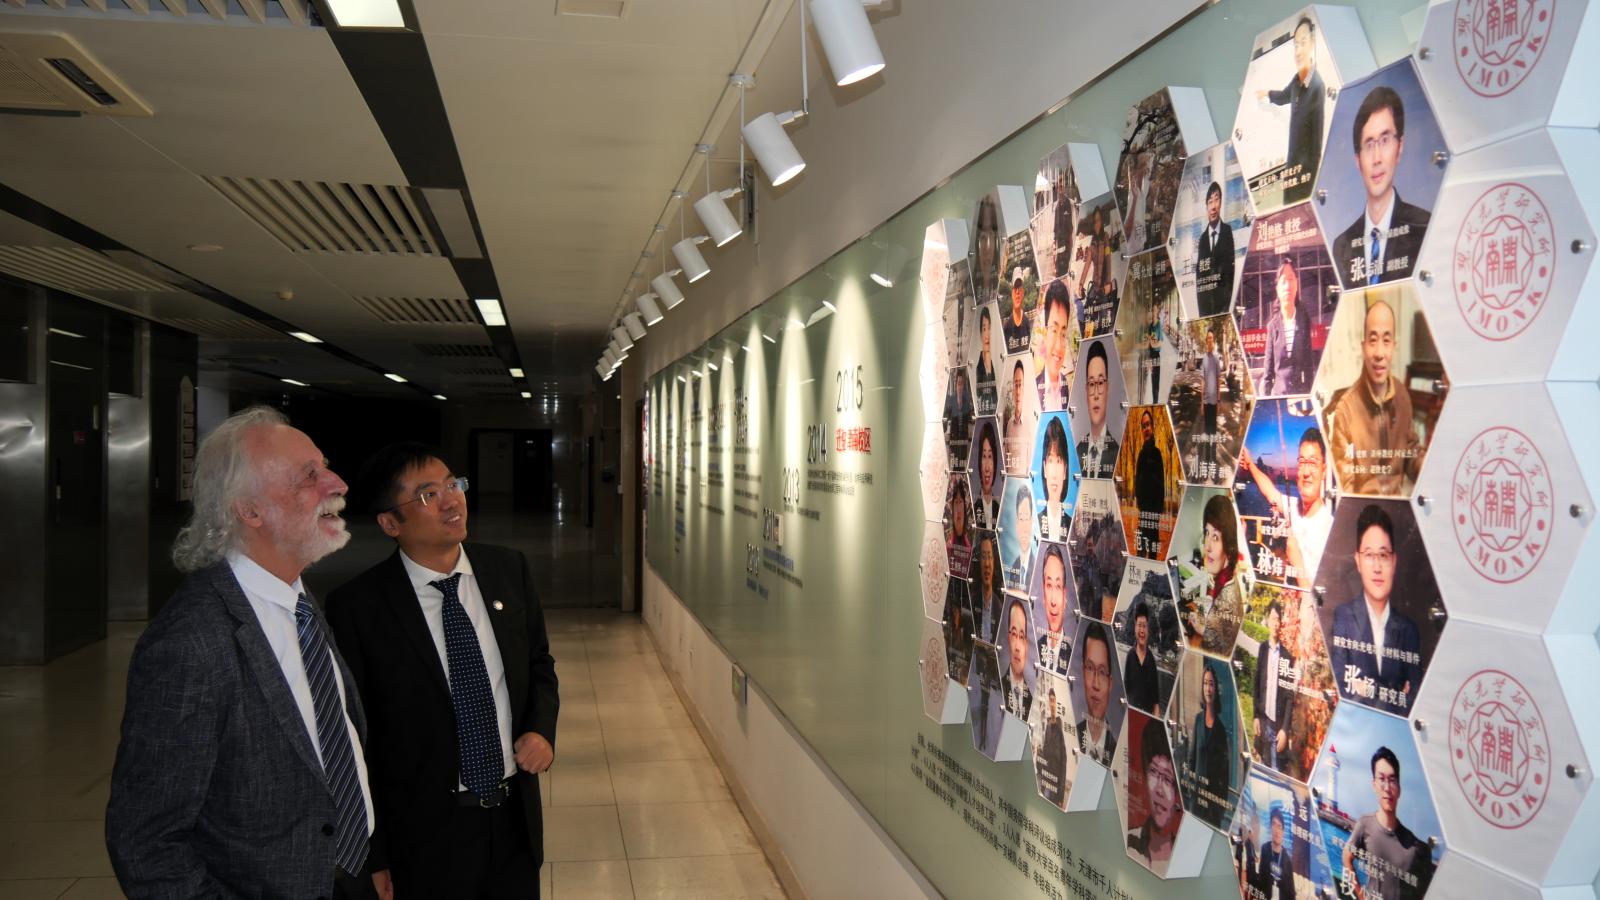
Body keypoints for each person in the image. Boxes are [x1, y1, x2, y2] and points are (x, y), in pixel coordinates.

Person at [107, 407, 373, 898]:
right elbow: (146, 842)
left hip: (344, 876)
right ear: (249, 511)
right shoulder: (190, 643)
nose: (337, 483)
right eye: (307, 476)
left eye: (326, 466)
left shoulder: (296, 598)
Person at [326, 444, 559, 899]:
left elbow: (539, 664)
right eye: (428, 495)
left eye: (454, 484)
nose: (453, 500)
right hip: (425, 837)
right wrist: (375, 855)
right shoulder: (358, 607)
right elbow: (354, 736)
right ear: (391, 523)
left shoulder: (508, 569)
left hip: (513, 820)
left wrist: (540, 729)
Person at [1332, 86, 1431, 287]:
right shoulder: (1342, 246)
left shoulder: (1424, 228)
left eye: (1385, 140)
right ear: (1357, 160)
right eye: (1369, 144)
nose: (1377, 158)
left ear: (1399, 147)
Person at [1329, 505, 1423, 715]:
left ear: (1394, 561)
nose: (1377, 567)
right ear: (1358, 561)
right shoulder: (1343, 617)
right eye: (1369, 555)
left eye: (1383, 555)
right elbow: (1340, 688)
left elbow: (1415, 700)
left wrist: (1367, 689)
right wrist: (1393, 692)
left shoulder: (1408, 631)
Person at [1327, 299, 1425, 496]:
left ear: (1393, 347)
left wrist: (1430, 468)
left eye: (1386, 341)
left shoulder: (1402, 395)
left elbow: (1410, 450)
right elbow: (1345, 490)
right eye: (1373, 340)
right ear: (1363, 347)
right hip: (1366, 519)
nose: (1379, 353)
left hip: (1397, 508)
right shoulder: (1345, 411)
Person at [1240, 428, 1334, 588]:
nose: (1306, 472)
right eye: (1302, 462)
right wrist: (1250, 464)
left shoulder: (1330, 528)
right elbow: (1270, 491)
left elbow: (1320, 602)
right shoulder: (1294, 507)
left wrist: (1295, 560)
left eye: (1312, 462)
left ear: (1324, 470)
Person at [1342, 747, 1435, 900]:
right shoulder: (1365, 825)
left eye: (1392, 780)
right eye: (1382, 779)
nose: (1387, 788)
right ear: (1374, 785)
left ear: (1399, 788)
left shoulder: (1415, 847)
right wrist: (1360, 896)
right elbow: (1346, 856)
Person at [1259, 15, 1325, 204]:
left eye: (1302, 43)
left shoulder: (1317, 86)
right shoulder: (1297, 81)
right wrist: (1267, 93)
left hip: (1305, 179)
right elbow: (1282, 96)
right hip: (1291, 174)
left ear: (1312, 43)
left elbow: (1317, 145)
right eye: (1295, 45)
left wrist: (1311, 184)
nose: (1298, 50)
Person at [1187, 494, 1244, 655]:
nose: (1208, 547)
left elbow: (1220, 645)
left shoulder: (1228, 596)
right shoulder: (1223, 580)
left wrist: (1201, 628)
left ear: (1229, 544)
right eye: (1206, 533)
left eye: (1216, 537)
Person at [1126, 716, 1181, 875]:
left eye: (1168, 779)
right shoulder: (1130, 840)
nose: (1159, 789)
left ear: (1178, 794)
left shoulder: (1182, 857)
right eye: (1154, 772)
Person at [1260, 256, 1316, 397]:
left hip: (1300, 397)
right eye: (1283, 281)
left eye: (1291, 279)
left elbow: (1309, 367)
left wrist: (1310, 396)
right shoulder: (1273, 326)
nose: (1287, 286)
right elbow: (1268, 374)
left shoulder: (1304, 321)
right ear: (1278, 288)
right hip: (1278, 397)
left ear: (1296, 285)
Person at [1188, 662, 1233, 826]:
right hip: (1196, 800)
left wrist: (1219, 810)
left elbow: (1224, 774)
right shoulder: (1198, 720)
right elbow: (1192, 758)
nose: (1208, 689)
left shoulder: (1221, 730)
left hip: (1212, 807)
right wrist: (1191, 788)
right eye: (1205, 683)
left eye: (1211, 684)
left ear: (1216, 689)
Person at [1253, 602, 1296, 769]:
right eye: (1272, 619)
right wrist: (1256, 715)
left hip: (1277, 727)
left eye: (1278, 619)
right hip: (1262, 722)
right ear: (1267, 621)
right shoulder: (1262, 649)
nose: (1275, 623)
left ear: (1281, 623)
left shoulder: (1287, 656)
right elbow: (1256, 684)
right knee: (1261, 768)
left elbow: (1289, 697)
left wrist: (1285, 729)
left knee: (1275, 771)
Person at [1076, 340, 1121, 478]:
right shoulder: (1077, 452)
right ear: (1085, 390)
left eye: (1100, 383)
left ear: (1108, 388)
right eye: (1091, 384)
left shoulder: (1117, 454)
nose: (1095, 394)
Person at [1076, 622, 1118, 765]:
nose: (1096, 684)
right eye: (1089, 668)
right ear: (1082, 672)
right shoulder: (1071, 734)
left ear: (1110, 683)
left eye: (1101, 672)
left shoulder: (1117, 753)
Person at [1195, 181, 1236, 316]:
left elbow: (1230, 274)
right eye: (1210, 202)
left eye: (1216, 200)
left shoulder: (1227, 231)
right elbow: (1200, 280)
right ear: (1206, 206)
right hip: (1206, 311)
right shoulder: (1202, 239)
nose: (1213, 206)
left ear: (1221, 203)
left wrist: (1226, 309)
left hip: (1224, 309)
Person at [1134, 409, 1166, 557]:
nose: (1146, 429)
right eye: (1143, 426)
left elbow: (1161, 483)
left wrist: (1158, 509)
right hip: (1143, 513)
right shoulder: (1140, 455)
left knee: (1152, 551)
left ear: (1152, 427)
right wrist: (1138, 501)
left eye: (1148, 425)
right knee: (1141, 550)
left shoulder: (1157, 454)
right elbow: (1137, 479)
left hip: (1153, 514)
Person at [1037, 280, 1073, 410]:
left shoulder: (1065, 388)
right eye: (1053, 330)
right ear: (1045, 331)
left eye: (1063, 334)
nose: (1059, 346)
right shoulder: (1034, 389)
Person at [1036, 545, 1072, 673]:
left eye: (1058, 586)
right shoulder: (1035, 649)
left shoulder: (1072, 658)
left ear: (1065, 594)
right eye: (1049, 585)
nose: (1053, 601)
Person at [1123, 602, 1162, 717]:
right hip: (1132, 716)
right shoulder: (1130, 656)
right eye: (1139, 625)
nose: (1142, 630)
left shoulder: (1151, 661)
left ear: (1149, 630)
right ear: (1135, 628)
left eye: (1144, 626)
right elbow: (1125, 690)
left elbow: (1156, 701)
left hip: (1146, 721)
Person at [1038, 416, 1072, 541]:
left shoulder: (1071, 525)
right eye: (1050, 460)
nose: (1054, 474)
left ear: (1065, 470)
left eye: (1058, 461)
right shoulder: (1036, 522)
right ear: (1044, 468)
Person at [1253, 807, 1297, 899]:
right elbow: (1261, 880)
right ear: (1270, 827)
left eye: (1279, 826)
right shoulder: (1265, 849)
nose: (1276, 830)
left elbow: (1291, 893)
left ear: (1283, 831)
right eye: (1273, 824)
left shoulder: (1287, 860)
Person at [1002, 598, 1035, 719]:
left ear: (1027, 643)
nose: (1017, 647)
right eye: (1014, 634)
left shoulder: (1033, 700)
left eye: (1021, 636)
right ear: (1008, 636)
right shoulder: (997, 688)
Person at [1037, 687, 1070, 808]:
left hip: (1055, 786)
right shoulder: (1047, 727)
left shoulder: (1059, 726)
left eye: (1053, 700)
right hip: (1047, 782)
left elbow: (1063, 763)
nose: (1051, 704)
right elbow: (1045, 753)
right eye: (1049, 700)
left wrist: (1061, 795)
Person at [973, 533, 1004, 644]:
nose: (987, 564)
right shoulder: (973, 603)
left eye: (990, 557)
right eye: (983, 557)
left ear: (994, 562)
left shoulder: (1000, 608)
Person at [1200, 331, 1223, 477]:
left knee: (1213, 434)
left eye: (1211, 338)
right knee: (1207, 433)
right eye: (1208, 338)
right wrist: (1201, 402)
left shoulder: (1216, 359)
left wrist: (1219, 400)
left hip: (1214, 402)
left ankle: (1213, 464)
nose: (1210, 340)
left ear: (1213, 341)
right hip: (1206, 402)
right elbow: (1202, 381)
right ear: (1206, 341)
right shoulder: (1203, 360)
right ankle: (1207, 463)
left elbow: (1219, 379)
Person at [975, 193, 1001, 304]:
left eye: (991, 235)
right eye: (983, 237)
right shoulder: (969, 290)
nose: (987, 247)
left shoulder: (1001, 285)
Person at [974, 425, 1001, 529]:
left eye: (990, 457)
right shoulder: (974, 507)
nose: (987, 468)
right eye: (984, 456)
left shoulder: (998, 509)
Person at [1003, 359, 1029, 471]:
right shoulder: (1009, 424)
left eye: (1020, 385)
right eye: (1016, 384)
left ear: (1024, 388)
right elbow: (1006, 459)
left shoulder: (1029, 425)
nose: (1018, 391)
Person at [946, 478, 975, 574]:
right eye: (956, 502)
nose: (958, 509)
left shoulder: (970, 550)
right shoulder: (947, 547)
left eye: (961, 502)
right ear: (952, 507)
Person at [1009, 490, 1036, 588]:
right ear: (1016, 524)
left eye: (1026, 518)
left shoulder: (1037, 567)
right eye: (1021, 519)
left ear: (1032, 522)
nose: (1024, 527)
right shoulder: (1014, 567)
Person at [975, 307, 998, 415]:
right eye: (984, 329)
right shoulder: (978, 367)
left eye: (989, 327)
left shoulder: (996, 363)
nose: (987, 334)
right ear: (980, 333)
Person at [1003, 269, 1031, 354]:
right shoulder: (1006, 327)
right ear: (1012, 293)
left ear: (1023, 292)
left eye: (1019, 287)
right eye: (1015, 288)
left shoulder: (1028, 323)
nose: (1017, 292)